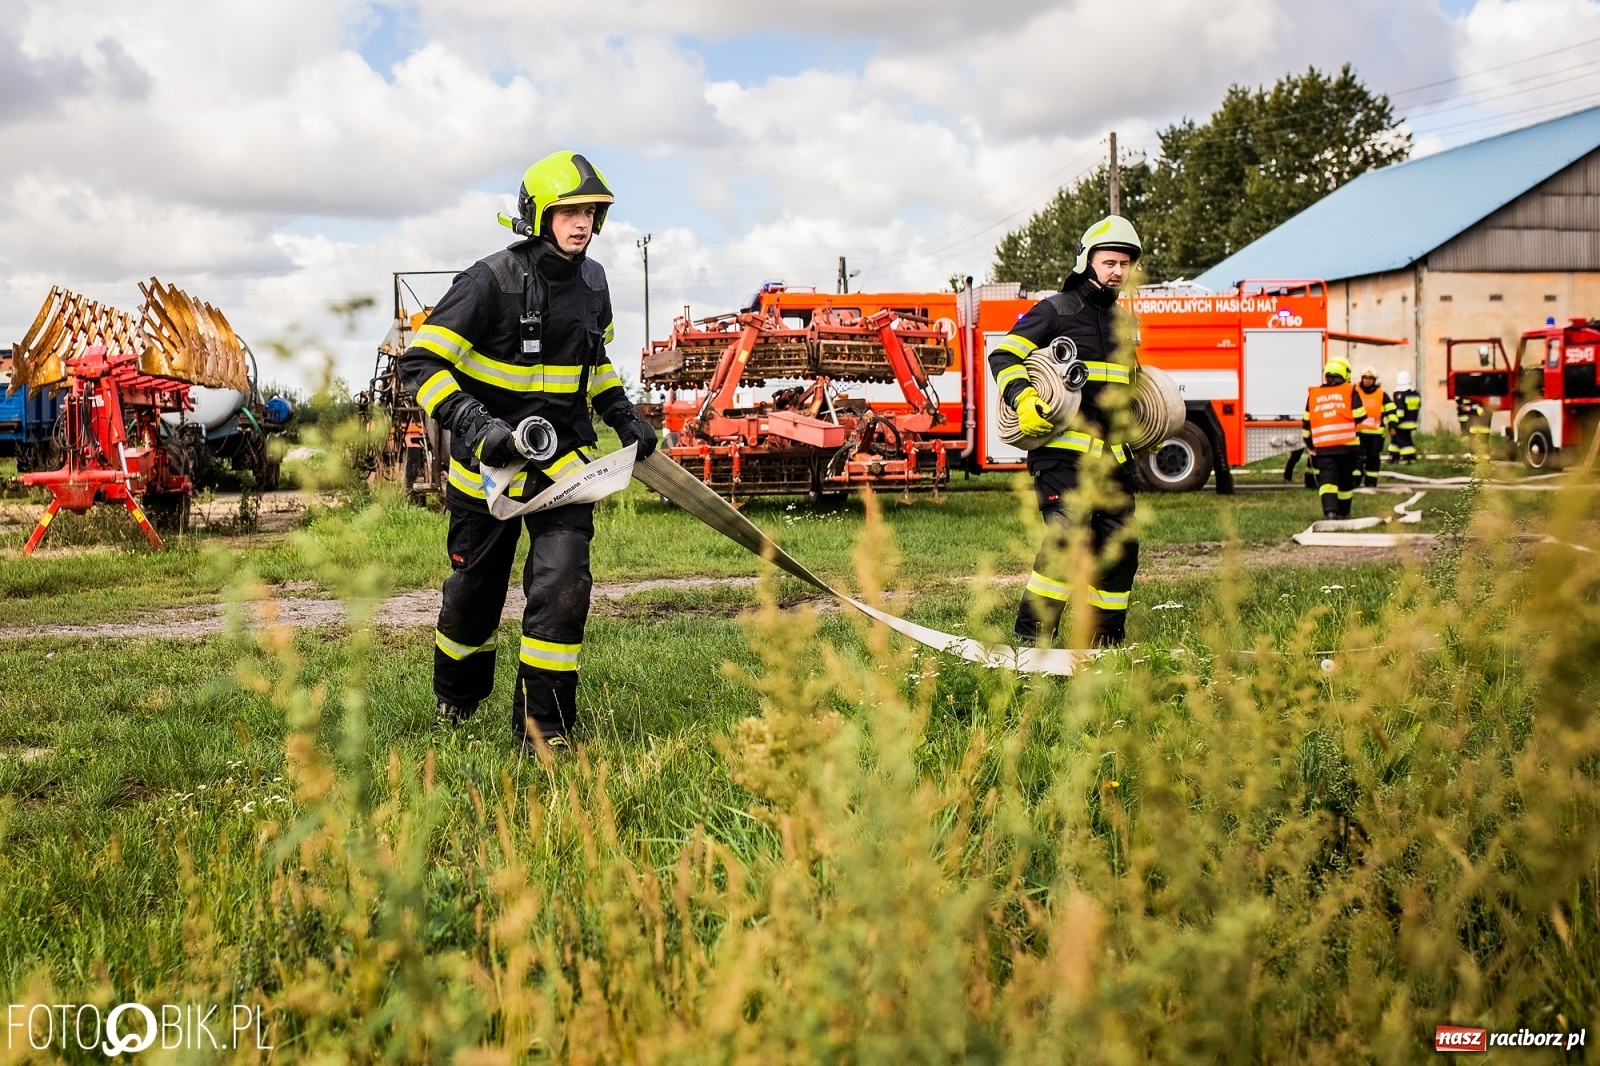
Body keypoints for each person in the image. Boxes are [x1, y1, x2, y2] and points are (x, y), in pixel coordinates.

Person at [399, 150, 657, 752]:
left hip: (564, 474)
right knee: (473, 598)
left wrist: (622, 413)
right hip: (485, 476)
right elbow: (423, 361)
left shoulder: (594, 284)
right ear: (537, 214)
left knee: (563, 592)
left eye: (591, 212)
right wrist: (473, 423)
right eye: (569, 211)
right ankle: (456, 701)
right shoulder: (489, 280)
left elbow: (594, 367)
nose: (583, 223)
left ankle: (544, 730)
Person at [988, 215, 1142, 648]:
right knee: (1067, 539)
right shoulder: (1056, 309)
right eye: (1109, 261)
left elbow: (1129, 387)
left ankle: (1105, 642)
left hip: (1113, 459)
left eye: (1124, 263)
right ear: (1087, 261)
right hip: (1062, 454)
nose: (1117, 270)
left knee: (1120, 549)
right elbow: (1004, 355)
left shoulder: (1124, 324)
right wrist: (1023, 398)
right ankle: (1030, 639)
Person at [1302, 358, 1366, 519]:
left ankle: (1330, 512)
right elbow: (1360, 415)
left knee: (1327, 480)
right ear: (1345, 373)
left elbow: (1306, 421)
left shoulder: (1314, 394)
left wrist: (1310, 444)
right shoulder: (1350, 390)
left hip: (1323, 447)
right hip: (1347, 446)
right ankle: (1344, 512)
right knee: (1345, 480)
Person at [1354, 366, 1393, 488]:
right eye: (1365, 378)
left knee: (1373, 457)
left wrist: (1392, 425)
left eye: (1370, 378)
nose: (1367, 380)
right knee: (1356, 457)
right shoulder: (1355, 392)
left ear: (1374, 380)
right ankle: (1355, 480)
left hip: (1376, 433)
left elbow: (1391, 410)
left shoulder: (1381, 394)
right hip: (1358, 432)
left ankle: (1371, 481)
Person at [1388, 370, 1421, 463]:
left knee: (1402, 440)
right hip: (1412, 422)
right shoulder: (1415, 393)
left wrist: (1392, 424)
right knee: (1395, 440)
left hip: (1401, 423)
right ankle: (1394, 456)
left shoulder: (1399, 394)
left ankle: (1409, 457)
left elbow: (1400, 412)